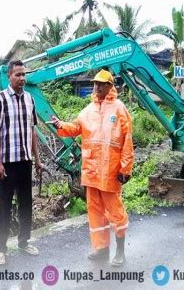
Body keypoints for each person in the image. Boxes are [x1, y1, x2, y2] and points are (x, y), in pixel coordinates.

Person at [50, 69, 134, 266]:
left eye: (100, 84)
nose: (96, 87)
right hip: (92, 172)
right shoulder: (88, 111)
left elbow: (127, 141)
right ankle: (102, 249)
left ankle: (119, 251)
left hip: (111, 173)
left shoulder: (119, 109)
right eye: (95, 83)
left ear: (110, 86)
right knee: (95, 212)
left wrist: (125, 169)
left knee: (115, 212)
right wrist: (59, 125)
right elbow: (75, 128)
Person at [0, 60, 42, 265]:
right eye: (18, 75)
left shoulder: (30, 99)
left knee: (25, 203)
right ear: (9, 76)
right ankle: (0, 248)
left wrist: (37, 159)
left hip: (25, 160)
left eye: (23, 74)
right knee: (4, 204)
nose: (22, 78)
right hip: (8, 163)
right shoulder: (0, 99)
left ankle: (23, 241)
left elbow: (32, 130)